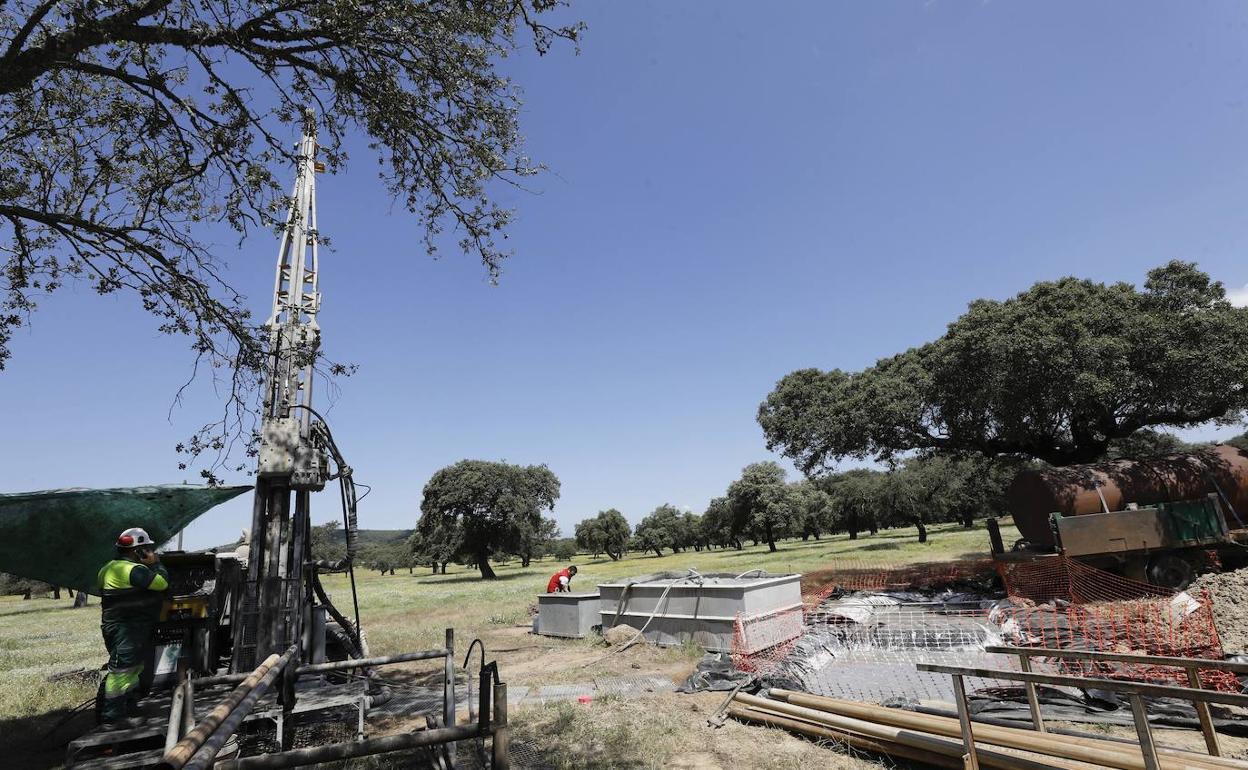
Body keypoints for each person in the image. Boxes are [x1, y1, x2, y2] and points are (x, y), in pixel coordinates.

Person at [95, 527, 169, 727]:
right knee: (121, 671)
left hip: (119, 627)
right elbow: (162, 584)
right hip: (127, 629)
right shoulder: (134, 570)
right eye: (146, 548)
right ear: (138, 551)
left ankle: (128, 707)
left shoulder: (107, 568)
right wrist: (156, 564)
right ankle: (112, 717)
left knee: (132, 669)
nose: (149, 551)